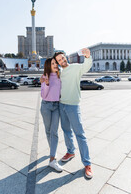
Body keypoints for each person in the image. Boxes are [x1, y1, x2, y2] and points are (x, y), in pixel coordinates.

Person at [53, 48, 93, 179]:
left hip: (73, 106)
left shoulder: (75, 68)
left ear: (66, 57)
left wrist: (87, 56)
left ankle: (87, 164)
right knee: (66, 130)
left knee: (80, 134)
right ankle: (70, 151)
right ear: (58, 62)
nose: (62, 60)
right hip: (62, 105)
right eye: (59, 60)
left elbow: (86, 67)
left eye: (63, 57)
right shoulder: (60, 72)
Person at [40, 58, 63, 172]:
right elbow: (43, 95)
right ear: (48, 66)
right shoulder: (44, 77)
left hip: (56, 107)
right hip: (46, 106)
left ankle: (52, 160)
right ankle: (53, 151)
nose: (55, 65)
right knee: (48, 131)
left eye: (56, 63)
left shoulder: (60, 77)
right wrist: (47, 83)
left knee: (54, 132)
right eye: (52, 63)